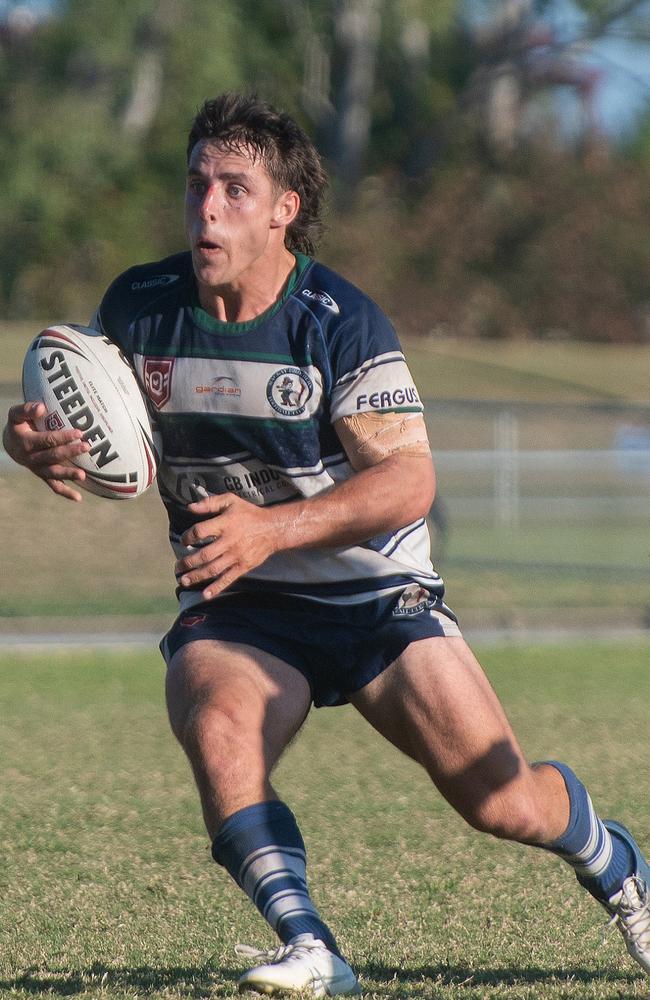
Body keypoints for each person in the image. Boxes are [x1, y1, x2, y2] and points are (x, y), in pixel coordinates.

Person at [4, 92, 649, 996]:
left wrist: (271, 528)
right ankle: (313, 947)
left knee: (503, 802)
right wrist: (27, 441)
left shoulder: (338, 321)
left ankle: (617, 864)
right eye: (197, 186)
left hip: (376, 600)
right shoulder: (139, 308)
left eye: (235, 189)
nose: (209, 208)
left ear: (284, 210)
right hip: (243, 607)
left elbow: (407, 482)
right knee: (217, 722)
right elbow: (76, 409)